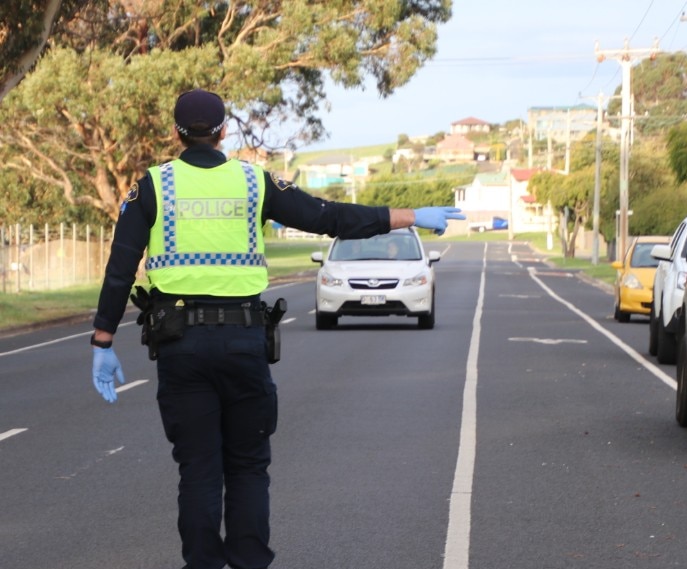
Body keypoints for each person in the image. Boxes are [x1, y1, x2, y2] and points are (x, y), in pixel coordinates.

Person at [89, 88, 465, 569]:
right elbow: (329, 218)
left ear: (176, 133)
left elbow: (120, 268)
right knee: (247, 467)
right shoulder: (254, 183)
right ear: (224, 130)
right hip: (245, 342)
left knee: (199, 471)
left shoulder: (153, 186)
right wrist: (412, 216)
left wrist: (103, 339)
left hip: (181, 345)